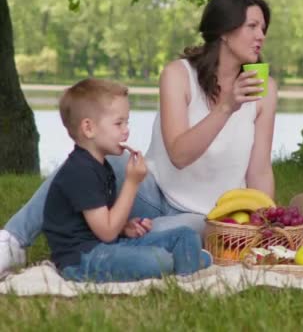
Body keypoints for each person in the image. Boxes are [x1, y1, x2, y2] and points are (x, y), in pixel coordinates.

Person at [0, 0, 277, 278]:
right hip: (151, 193)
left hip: (204, 216)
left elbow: (259, 170)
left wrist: (266, 221)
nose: (261, 35)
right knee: (86, 161)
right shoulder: (179, 75)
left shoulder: (265, 90)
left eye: (263, 28)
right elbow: (180, 155)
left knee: (177, 236)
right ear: (224, 30)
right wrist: (226, 107)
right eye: (252, 26)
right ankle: (12, 242)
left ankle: (114, 241)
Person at [43, 78, 212, 282]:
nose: (126, 130)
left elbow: (103, 224)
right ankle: (184, 267)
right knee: (158, 260)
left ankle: (182, 263)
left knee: (185, 235)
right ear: (88, 128)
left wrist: (125, 228)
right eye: (118, 123)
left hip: (106, 247)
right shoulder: (79, 171)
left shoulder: (102, 167)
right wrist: (132, 183)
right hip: (82, 258)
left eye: (127, 122)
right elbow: (106, 233)